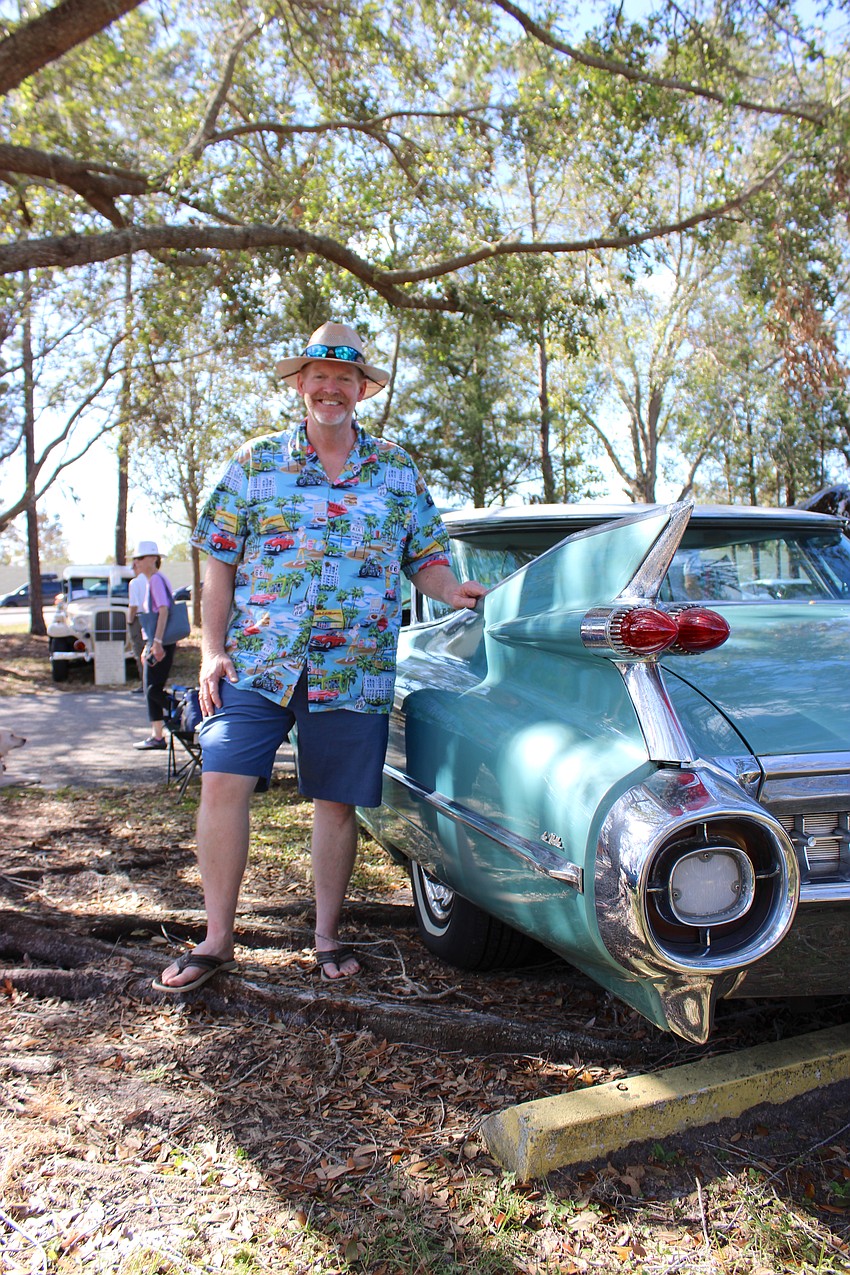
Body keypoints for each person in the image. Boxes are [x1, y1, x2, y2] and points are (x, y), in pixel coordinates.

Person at [154, 321, 486, 993]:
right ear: (299, 384)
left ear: (361, 389)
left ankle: (327, 937)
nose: (330, 388)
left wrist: (452, 589)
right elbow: (217, 557)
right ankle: (217, 939)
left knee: (335, 802)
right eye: (318, 376)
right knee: (222, 778)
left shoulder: (395, 469)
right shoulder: (255, 463)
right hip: (258, 658)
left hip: (353, 663)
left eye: (343, 378)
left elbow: (423, 557)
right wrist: (212, 649)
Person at [131, 540, 178, 751]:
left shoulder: (157, 580)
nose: (136, 563)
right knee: (151, 688)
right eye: (135, 559)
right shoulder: (153, 580)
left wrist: (157, 643)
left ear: (153, 559)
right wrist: (149, 643)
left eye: (140, 558)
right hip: (157, 641)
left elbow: (163, 610)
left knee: (152, 689)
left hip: (162, 642)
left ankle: (182, 711)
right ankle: (157, 734)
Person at [126, 557, 148, 693]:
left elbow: (133, 605)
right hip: (151, 617)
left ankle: (144, 682)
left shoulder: (134, 583)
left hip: (139, 618)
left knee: (139, 650)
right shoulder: (151, 580)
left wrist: (129, 620)